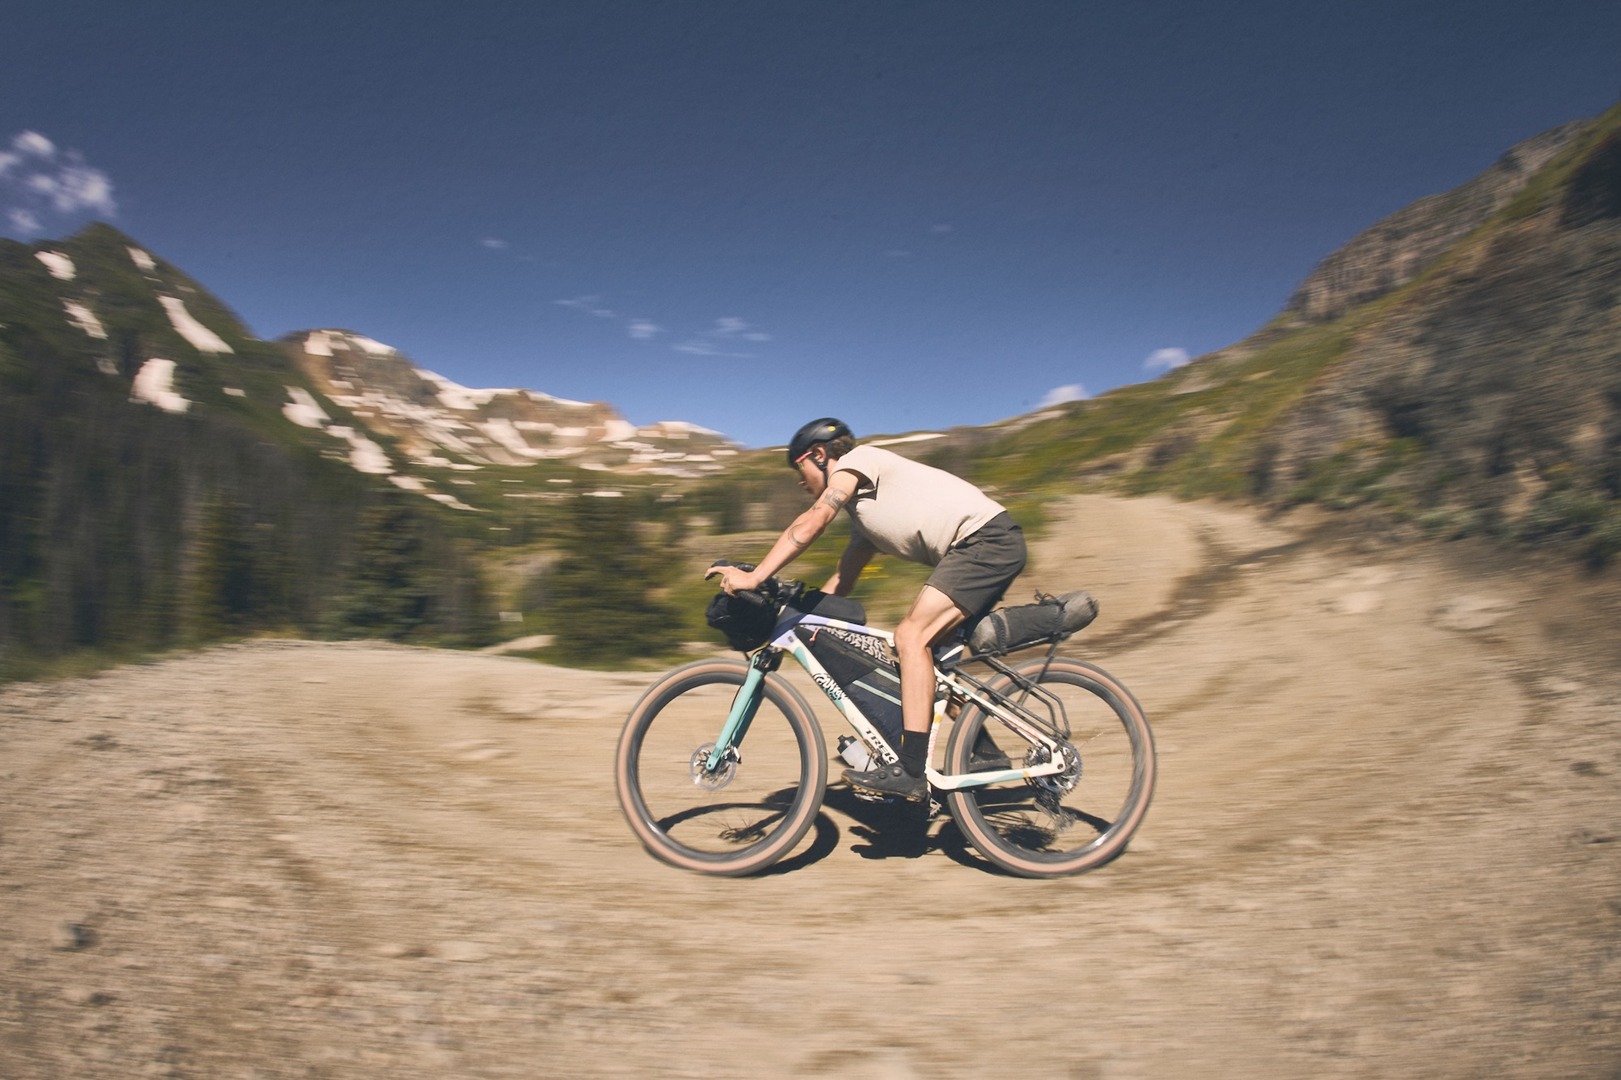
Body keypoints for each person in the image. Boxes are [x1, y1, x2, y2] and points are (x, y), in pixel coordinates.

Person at [707, 417, 1026, 802]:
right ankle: (986, 752)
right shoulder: (865, 521)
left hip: (985, 542)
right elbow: (840, 584)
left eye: (800, 467)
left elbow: (816, 520)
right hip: (985, 546)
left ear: (820, 455)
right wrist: (798, 621)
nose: (799, 479)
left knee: (911, 637)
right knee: (922, 659)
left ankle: (911, 771)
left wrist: (755, 576)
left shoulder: (857, 462)